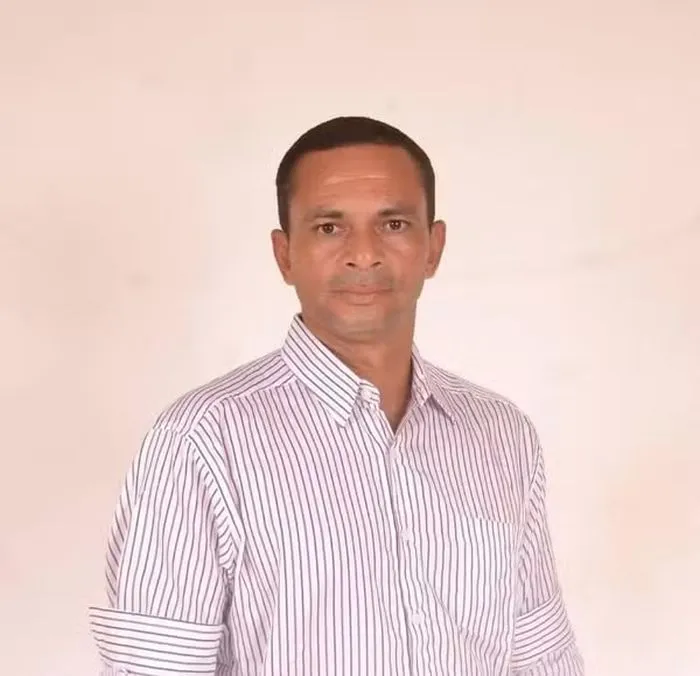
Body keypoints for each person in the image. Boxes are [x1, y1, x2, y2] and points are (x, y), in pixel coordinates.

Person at [89, 116, 584, 675]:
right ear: (285, 255)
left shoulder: (501, 435)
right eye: (329, 227)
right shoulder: (202, 440)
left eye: (393, 224)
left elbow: (543, 660)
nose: (364, 254)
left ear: (433, 247)